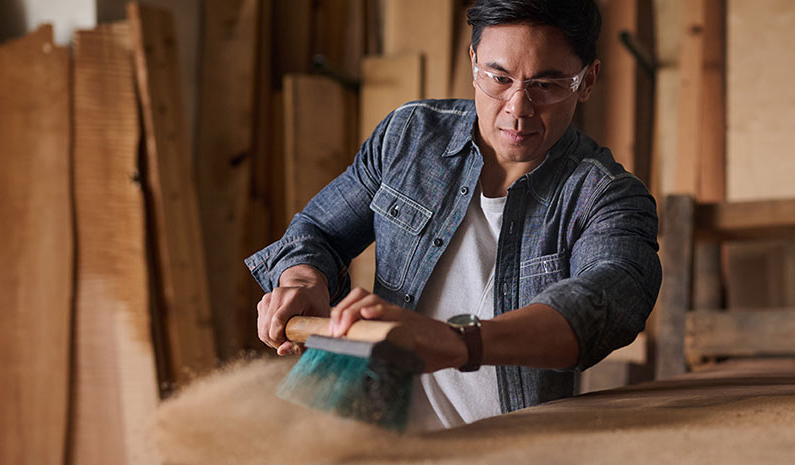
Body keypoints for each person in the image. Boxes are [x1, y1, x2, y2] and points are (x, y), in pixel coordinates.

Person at [246, 0, 660, 430]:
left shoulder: (608, 197)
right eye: (499, 78)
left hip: (509, 449)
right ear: (473, 63)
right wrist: (302, 281)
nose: (518, 108)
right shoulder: (410, 136)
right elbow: (319, 230)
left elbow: (601, 305)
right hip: (372, 435)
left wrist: (456, 341)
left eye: (545, 85)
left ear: (587, 80)